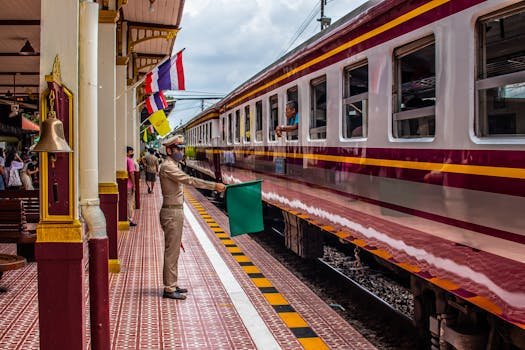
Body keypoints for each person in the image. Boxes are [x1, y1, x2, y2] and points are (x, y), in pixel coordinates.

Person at [159, 134, 226, 300]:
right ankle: (169, 288)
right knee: (172, 251)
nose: (180, 152)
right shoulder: (168, 166)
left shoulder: (173, 165)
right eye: (177, 149)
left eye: (181, 149)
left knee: (174, 251)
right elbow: (189, 180)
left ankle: (172, 283)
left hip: (175, 211)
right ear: (169, 150)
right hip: (172, 212)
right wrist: (213, 185)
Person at [126, 146, 137, 227]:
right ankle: (130, 219)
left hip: (124, 185)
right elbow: (132, 173)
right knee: (130, 202)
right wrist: (134, 184)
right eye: (131, 152)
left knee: (127, 202)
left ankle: (127, 217)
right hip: (129, 185)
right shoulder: (129, 161)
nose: (132, 153)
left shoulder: (123, 160)